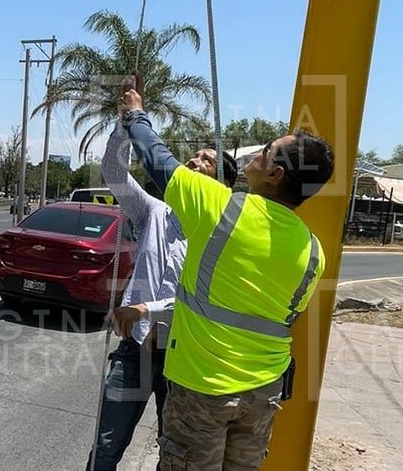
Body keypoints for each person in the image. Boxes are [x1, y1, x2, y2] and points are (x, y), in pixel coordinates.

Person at [120, 89, 334, 471]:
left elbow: (157, 158)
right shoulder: (314, 251)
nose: (255, 154)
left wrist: (135, 114)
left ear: (275, 174)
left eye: (266, 151)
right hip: (263, 394)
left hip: (203, 387)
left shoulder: (219, 204)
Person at [88, 119, 237, 471]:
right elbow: (113, 173)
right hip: (133, 354)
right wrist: (125, 123)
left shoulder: (223, 236)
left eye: (206, 160)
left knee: (174, 455)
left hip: (183, 362)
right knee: (106, 446)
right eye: (194, 156)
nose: (194, 161)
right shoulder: (155, 212)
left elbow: (198, 301)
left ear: (224, 185)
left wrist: (144, 309)